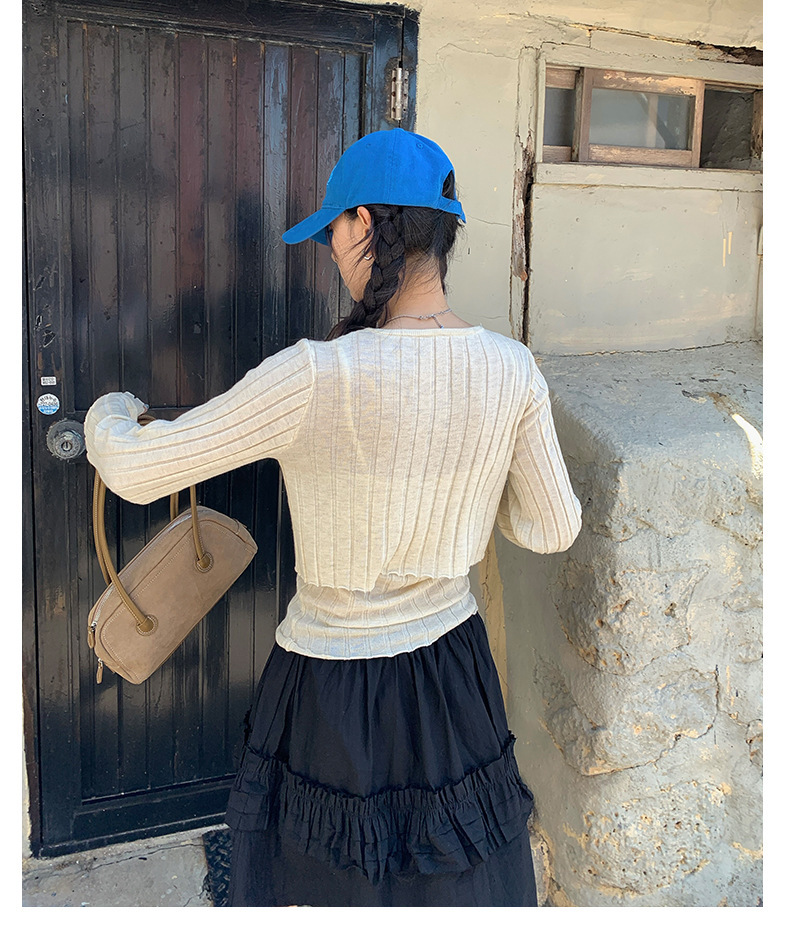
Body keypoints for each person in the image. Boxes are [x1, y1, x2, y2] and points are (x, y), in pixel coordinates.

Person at [84, 128, 582, 907]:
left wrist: (108, 413)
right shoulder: (512, 370)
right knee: (452, 891)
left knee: (329, 892)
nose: (331, 253)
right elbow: (551, 528)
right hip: (454, 677)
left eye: (332, 232)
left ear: (364, 224)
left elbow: (138, 472)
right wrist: (469, 496)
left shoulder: (315, 376)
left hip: (332, 690)